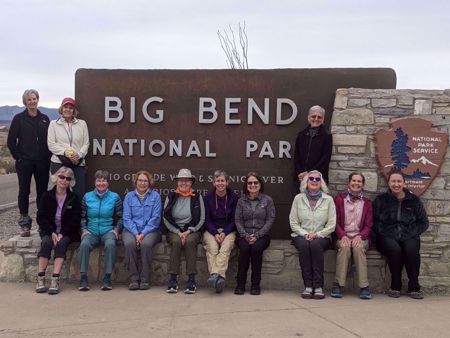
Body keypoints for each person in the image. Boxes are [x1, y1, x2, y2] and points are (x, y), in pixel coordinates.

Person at [373, 170, 429, 299]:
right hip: (386, 236)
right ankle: (395, 284)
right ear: (389, 183)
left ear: (404, 183)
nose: (396, 184)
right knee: (395, 250)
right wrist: (385, 232)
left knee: (411, 250)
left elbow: (424, 222)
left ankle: (414, 286)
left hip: (409, 235)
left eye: (399, 181)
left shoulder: (413, 200)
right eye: (393, 181)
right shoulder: (381, 200)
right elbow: (374, 221)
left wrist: (412, 233)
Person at [7, 89, 51, 237]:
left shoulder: (45, 119)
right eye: (29, 100)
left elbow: (50, 141)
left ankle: (42, 223)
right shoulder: (19, 118)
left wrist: (48, 156)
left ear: (38, 99)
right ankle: (25, 223)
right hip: (24, 162)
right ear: (25, 102)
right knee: (24, 191)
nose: (32, 102)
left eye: (34, 99)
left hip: (42, 162)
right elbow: (11, 141)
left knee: (42, 193)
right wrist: (18, 158)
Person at [289, 170, 336, 299]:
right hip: (300, 235)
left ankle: (318, 286)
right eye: (311, 179)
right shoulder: (298, 198)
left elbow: (331, 224)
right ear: (306, 182)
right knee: (304, 245)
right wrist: (305, 234)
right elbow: (293, 222)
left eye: (317, 179)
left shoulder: (328, 200)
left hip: (322, 236)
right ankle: (308, 286)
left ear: (321, 183)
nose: (314, 181)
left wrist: (317, 234)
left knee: (315, 245)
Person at [35, 167, 81, 294]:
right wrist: (52, 233)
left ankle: (55, 279)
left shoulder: (74, 198)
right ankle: (40, 277)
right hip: (49, 231)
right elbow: (41, 217)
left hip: (66, 232)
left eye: (68, 178)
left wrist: (62, 233)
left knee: (61, 244)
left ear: (70, 182)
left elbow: (75, 219)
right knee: (46, 243)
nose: (64, 180)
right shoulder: (46, 196)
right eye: (62, 177)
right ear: (56, 178)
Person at [78, 170, 123, 291]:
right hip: (91, 231)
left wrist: (116, 230)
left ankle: (107, 277)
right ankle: (83, 278)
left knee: (110, 244)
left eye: (104, 180)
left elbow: (120, 217)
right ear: (95, 182)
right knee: (84, 244)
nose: (101, 183)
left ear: (108, 183)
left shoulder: (115, 197)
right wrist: (83, 230)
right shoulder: (87, 197)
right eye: (99, 180)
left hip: (108, 231)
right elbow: (81, 216)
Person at [331, 172, 373, 299]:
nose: (356, 183)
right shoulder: (339, 199)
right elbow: (335, 221)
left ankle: (364, 287)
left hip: (360, 236)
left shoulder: (367, 202)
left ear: (363, 184)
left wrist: (360, 236)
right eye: (354, 180)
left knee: (358, 248)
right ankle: (338, 284)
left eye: (359, 181)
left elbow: (369, 225)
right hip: (342, 236)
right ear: (348, 183)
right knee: (344, 247)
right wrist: (342, 235)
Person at [163, 168, 205, 294]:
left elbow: (202, 218)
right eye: (181, 180)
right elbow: (165, 217)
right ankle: (173, 279)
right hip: (174, 230)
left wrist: (190, 231)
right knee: (176, 242)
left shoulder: (197, 197)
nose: (183, 183)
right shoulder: (171, 196)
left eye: (187, 181)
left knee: (190, 242)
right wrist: (177, 232)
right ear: (177, 182)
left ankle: (191, 280)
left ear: (191, 182)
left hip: (192, 230)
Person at [234, 172, 275, 295]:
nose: (252, 185)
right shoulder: (241, 201)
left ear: (260, 184)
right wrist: (246, 236)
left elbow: (270, 219)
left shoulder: (267, 200)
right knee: (245, 250)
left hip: (262, 235)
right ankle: (240, 284)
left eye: (255, 182)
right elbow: (238, 220)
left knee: (256, 249)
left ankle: (255, 284)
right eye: (250, 183)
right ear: (246, 185)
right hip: (243, 235)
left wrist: (257, 235)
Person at [122, 170, 162, 290]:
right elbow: (127, 218)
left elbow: (156, 218)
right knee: (129, 244)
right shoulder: (129, 197)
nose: (143, 183)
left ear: (149, 183)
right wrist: (135, 233)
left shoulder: (156, 196)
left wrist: (143, 234)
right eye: (140, 180)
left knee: (146, 244)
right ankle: (134, 279)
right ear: (135, 182)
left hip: (151, 231)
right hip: (130, 230)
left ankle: (144, 279)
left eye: (145, 181)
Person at [203, 169, 239, 293]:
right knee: (212, 248)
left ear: (227, 182)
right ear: (213, 183)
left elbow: (235, 219)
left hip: (229, 230)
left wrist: (225, 232)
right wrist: (215, 233)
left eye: (222, 181)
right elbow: (206, 220)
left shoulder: (234, 198)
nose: (220, 183)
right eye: (217, 181)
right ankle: (220, 278)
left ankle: (215, 275)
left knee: (226, 246)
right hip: (211, 230)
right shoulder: (207, 198)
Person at [47, 97, 89, 200]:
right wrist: (66, 152)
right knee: (59, 193)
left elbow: (86, 143)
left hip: (77, 163)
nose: (68, 110)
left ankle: (78, 215)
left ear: (74, 110)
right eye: (65, 107)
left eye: (71, 108)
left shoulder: (82, 124)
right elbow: (51, 144)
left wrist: (78, 155)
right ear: (61, 108)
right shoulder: (53, 124)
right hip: (59, 163)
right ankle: (57, 216)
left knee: (79, 193)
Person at [293, 105, 332, 188]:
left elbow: (325, 158)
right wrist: (301, 174)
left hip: (318, 179)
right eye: (313, 116)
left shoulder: (327, 136)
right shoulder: (301, 135)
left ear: (323, 119)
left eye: (319, 117)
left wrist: (309, 174)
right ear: (308, 117)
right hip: (301, 178)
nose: (316, 119)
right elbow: (297, 156)